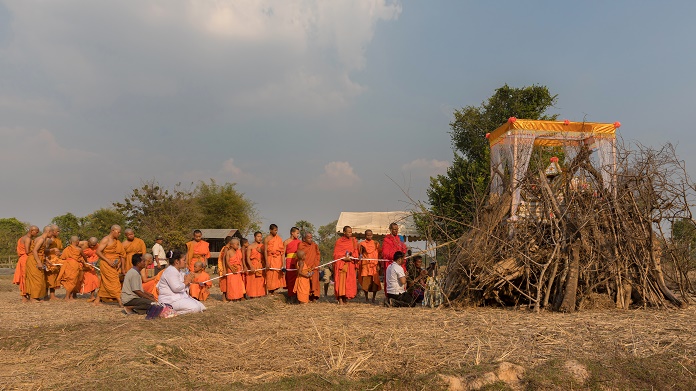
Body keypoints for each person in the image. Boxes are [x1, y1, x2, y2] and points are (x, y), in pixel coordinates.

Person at [157, 250, 206, 315]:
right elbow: (176, 288)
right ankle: (169, 312)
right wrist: (186, 281)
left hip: (179, 297)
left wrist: (189, 279)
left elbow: (184, 284)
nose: (185, 262)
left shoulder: (179, 271)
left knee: (202, 307)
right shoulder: (171, 271)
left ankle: (172, 311)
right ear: (177, 261)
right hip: (170, 300)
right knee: (195, 308)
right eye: (184, 260)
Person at [93, 225, 126, 306]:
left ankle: (97, 300)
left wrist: (120, 264)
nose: (119, 234)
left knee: (105, 282)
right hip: (106, 264)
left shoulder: (117, 241)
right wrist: (108, 261)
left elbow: (121, 254)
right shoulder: (106, 239)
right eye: (118, 232)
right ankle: (119, 300)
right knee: (114, 282)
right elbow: (98, 251)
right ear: (113, 231)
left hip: (115, 265)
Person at [332, 226, 359, 304]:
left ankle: (345, 297)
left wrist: (352, 256)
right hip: (341, 264)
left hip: (350, 264)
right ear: (344, 232)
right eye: (349, 232)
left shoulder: (353, 241)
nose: (350, 234)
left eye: (351, 232)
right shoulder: (339, 241)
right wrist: (343, 258)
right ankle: (340, 298)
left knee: (348, 281)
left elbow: (355, 252)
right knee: (341, 281)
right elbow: (336, 254)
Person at [25, 225, 52, 301]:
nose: (52, 235)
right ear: (48, 232)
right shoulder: (41, 239)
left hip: (38, 259)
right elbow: (34, 251)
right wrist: (39, 262)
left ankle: (36, 296)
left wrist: (47, 260)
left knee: (40, 279)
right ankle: (33, 298)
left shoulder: (42, 239)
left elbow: (41, 252)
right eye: (51, 233)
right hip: (34, 261)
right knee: (36, 279)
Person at [57, 236, 87, 300]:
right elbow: (84, 256)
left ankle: (70, 296)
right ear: (77, 242)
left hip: (67, 265)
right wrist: (86, 261)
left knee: (69, 280)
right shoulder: (79, 249)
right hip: (74, 265)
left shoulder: (66, 249)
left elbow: (62, 257)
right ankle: (67, 297)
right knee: (72, 281)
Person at [381, 222, 408, 296]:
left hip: (400, 263)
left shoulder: (399, 239)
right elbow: (385, 252)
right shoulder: (387, 239)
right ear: (390, 229)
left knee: (401, 279)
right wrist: (396, 256)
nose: (396, 231)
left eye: (397, 229)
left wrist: (403, 254)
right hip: (391, 264)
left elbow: (403, 249)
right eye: (394, 229)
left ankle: (401, 294)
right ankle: (389, 296)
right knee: (391, 281)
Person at [13, 225, 39, 302]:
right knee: (26, 277)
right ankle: (25, 296)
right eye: (36, 232)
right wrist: (37, 252)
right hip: (26, 259)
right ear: (32, 231)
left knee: (25, 277)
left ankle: (26, 295)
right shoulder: (27, 239)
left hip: (23, 258)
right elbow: (27, 251)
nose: (37, 234)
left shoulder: (22, 238)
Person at [359, 229, 381, 303]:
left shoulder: (376, 243)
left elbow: (378, 254)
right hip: (366, 266)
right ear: (365, 236)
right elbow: (360, 254)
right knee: (366, 282)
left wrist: (378, 264)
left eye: (371, 235)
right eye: (368, 235)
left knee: (375, 282)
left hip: (374, 266)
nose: (369, 236)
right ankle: (366, 298)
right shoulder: (362, 244)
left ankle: (374, 298)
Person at [297, 232, 321, 301]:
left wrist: (316, 264)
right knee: (305, 282)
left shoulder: (315, 245)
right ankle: (306, 296)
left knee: (314, 282)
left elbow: (317, 255)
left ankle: (314, 297)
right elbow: (299, 256)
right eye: (309, 238)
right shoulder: (301, 245)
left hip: (314, 267)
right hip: (304, 267)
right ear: (304, 239)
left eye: (311, 237)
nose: (311, 239)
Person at [263, 224, 285, 294]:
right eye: (275, 230)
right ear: (270, 230)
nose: (276, 232)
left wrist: (283, 263)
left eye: (277, 230)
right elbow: (265, 251)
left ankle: (275, 289)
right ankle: (270, 290)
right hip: (270, 258)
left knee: (277, 274)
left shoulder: (279, 239)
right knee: (270, 274)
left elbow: (282, 252)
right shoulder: (266, 239)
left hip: (278, 259)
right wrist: (267, 262)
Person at [45, 225, 64, 300]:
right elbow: (44, 250)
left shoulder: (58, 240)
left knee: (55, 278)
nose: (58, 233)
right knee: (48, 278)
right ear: (52, 231)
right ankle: (46, 295)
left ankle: (52, 295)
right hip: (49, 260)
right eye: (57, 231)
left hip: (57, 261)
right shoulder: (47, 240)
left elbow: (58, 250)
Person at [245, 231, 266, 298]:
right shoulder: (250, 247)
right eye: (258, 236)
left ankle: (260, 295)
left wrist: (261, 251)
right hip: (253, 264)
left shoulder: (263, 246)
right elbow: (248, 258)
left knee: (260, 281)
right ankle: (252, 296)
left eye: (261, 236)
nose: (260, 238)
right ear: (254, 237)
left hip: (261, 265)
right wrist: (251, 266)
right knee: (252, 281)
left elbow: (266, 256)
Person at [284, 227, 301, 302]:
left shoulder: (299, 242)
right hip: (289, 261)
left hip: (297, 260)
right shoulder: (286, 242)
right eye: (297, 233)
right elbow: (283, 254)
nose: (298, 235)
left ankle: (298, 295)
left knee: (297, 278)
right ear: (292, 233)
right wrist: (283, 264)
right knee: (290, 279)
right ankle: (291, 296)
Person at [217, 236, 233, 301]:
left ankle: (228, 296)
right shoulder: (226, 248)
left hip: (227, 267)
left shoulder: (228, 248)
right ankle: (224, 298)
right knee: (224, 283)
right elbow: (224, 259)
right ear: (230, 242)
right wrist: (224, 269)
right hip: (224, 268)